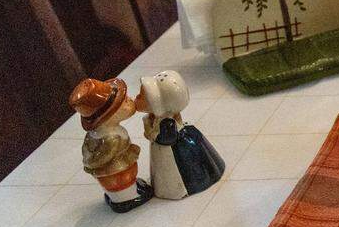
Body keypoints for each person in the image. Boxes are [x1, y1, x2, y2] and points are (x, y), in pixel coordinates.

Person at [135, 70, 224, 199]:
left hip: (171, 154)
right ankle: (164, 186)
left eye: (142, 97)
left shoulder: (167, 122)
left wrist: (150, 132)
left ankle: (175, 189)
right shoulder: (154, 117)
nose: (136, 98)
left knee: (172, 171)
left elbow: (166, 139)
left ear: (157, 104)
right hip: (162, 152)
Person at [70, 78, 152, 213]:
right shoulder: (111, 139)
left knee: (125, 178)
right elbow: (103, 157)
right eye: (125, 102)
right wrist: (93, 164)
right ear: (108, 116)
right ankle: (126, 198)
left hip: (114, 169)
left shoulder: (96, 134)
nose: (130, 101)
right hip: (116, 171)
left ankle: (125, 191)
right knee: (121, 181)